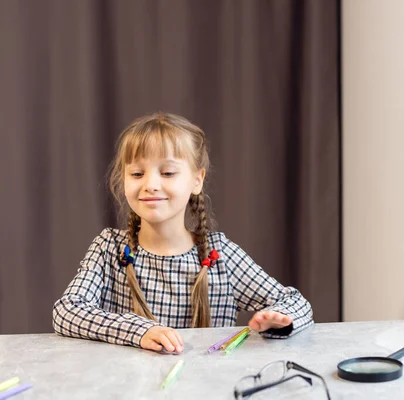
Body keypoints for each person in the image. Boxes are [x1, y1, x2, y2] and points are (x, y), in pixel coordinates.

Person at [52, 112, 314, 353]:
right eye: (137, 173)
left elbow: (296, 303)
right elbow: (67, 311)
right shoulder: (109, 247)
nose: (151, 184)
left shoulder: (219, 255)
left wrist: (280, 318)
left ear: (196, 180)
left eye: (167, 172)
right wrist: (140, 330)